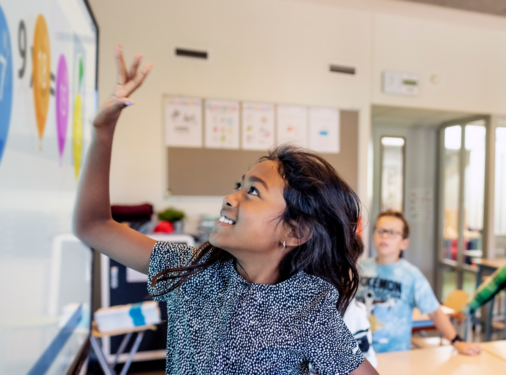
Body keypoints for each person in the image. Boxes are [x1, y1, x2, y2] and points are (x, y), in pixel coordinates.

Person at [73, 45, 378, 375]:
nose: (230, 198)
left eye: (252, 192)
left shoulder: (309, 307)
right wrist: (103, 132)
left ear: (295, 231)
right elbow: (94, 226)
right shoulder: (193, 271)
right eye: (238, 186)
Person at [356, 210, 481, 355]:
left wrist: (457, 341)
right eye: (381, 231)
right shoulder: (360, 269)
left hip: (395, 355)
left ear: (404, 243)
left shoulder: (411, 275)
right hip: (358, 355)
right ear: (373, 236)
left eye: (392, 233)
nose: (384, 236)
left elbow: (434, 312)